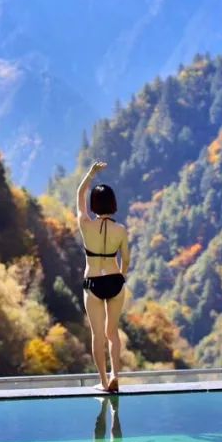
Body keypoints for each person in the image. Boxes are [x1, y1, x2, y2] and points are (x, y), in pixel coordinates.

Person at [76, 161, 130, 393]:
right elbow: (126, 259)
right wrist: (121, 277)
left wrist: (91, 174)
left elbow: (79, 195)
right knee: (112, 333)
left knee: (97, 335)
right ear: (113, 203)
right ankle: (116, 375)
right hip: (115, 281)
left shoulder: (85, 225)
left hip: (93, 283)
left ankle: (104, 382)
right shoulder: (121, 230)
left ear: (94, 204)